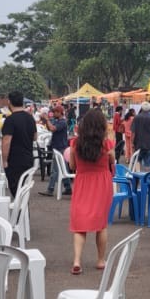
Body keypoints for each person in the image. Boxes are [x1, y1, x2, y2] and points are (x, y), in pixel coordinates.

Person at [66, 106, 115, 273]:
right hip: (102, 183)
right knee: (101, 224)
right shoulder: (107, 144)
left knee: (79, 223)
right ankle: (101, 260)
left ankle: (77, 260)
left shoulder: (75, 144)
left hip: (82, 182)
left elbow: (72, 166)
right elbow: (112, 164)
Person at [0, 90, 37, 197]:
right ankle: (24, 213)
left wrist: (4, 161)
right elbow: (35, 137)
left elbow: (6, 141)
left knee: (17, 193)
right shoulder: (30, 118)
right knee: (24, 193)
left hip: (15, 161)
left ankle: (20, 213)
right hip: (28, 159)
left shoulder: (10, 120)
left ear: (9, 102)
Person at [43, 101, 70, 196]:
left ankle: (50, 189)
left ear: (59, 112)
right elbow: (49, 128)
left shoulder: (62, 122)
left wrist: (47, 120)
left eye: (55, 112)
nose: (53, 114)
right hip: (59, 147)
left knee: (55, 169)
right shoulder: (57, 120)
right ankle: (68, 188)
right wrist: (46, 121)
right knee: (64, 169)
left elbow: (53, 129)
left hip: (60, 148)